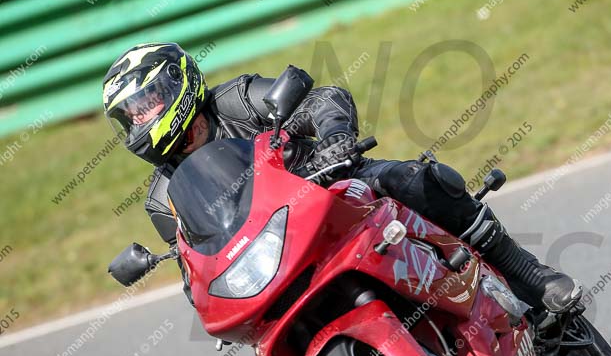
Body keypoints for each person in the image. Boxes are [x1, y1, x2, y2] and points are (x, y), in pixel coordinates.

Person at [102, 42, 581, 314]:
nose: (142, 119)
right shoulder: (163, 198)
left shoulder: (237, 101)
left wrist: (333, 135)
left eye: (147, 103)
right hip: (280, 259)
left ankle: (527, 273)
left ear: (177, 83)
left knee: (412, 178)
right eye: (131, 116)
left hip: (335, 190)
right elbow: (195, 267)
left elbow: (319, 98)